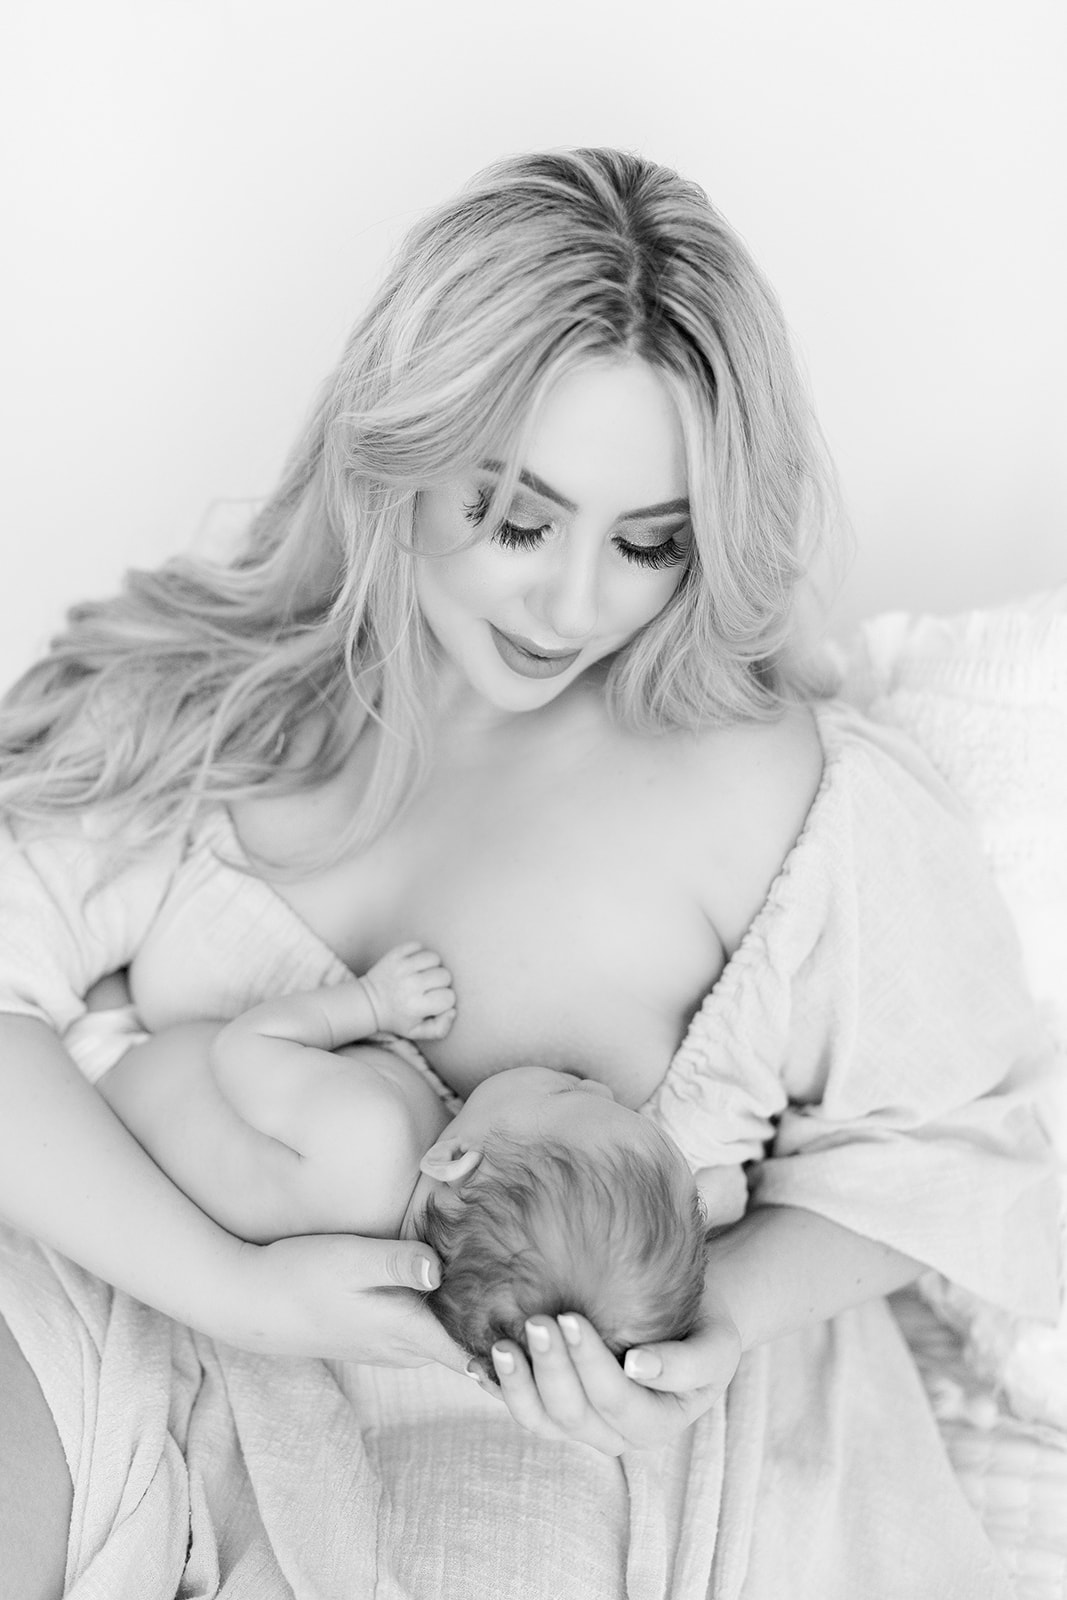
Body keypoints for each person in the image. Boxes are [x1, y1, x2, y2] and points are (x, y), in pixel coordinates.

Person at [0, 146, 1058, 1600]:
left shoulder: (773, 788)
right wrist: (236, 1290)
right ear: (403, 452)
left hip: (558, 1449)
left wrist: (717, 1327)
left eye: (646, 544)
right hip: (150, 1323)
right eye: (515, 519)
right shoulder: (218, 701)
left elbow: (949, 1156)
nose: (573, 605)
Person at [70, 947, 716, 1367]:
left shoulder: (368, 1134)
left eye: (566, 1092)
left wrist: (371, 1003)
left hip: (103, 1064)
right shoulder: (399, 1271)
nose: (595, 1084)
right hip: (127, 1132)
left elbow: (245, 1045)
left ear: (454, 1159)